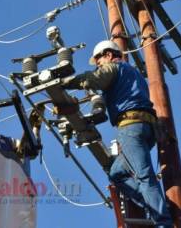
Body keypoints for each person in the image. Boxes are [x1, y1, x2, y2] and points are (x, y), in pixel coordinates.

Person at [62, 40, 172, 226]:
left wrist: (64, 82)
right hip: (146, 129)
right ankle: (156, 204)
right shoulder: (132, 73)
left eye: (99, 60)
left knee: (144, 176)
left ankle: (163, 221)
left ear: (109, 55)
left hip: (130, 127)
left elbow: (94, 79)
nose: (98, 64)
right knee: (116, 173)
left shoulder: (114, 67)